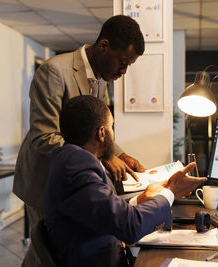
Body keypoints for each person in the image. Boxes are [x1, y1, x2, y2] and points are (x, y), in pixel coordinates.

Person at [13, 15, 148, 264]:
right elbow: (44, 137)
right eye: (122, 61)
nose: (123, 71)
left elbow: (97, 129)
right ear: (104, 46)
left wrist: (119, 154)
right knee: (50, 255)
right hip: (45, 178)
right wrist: (106, 157)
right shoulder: (54, 71)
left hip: (72, 178)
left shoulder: (101, 78)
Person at [44, 95, 207, 267]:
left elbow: (104, 211)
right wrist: (171, 192)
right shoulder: (77, 167)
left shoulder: (72, 159)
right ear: (101, 133)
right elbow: (129, 227)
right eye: (111, 127)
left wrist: (140, 200)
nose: (112, 134)